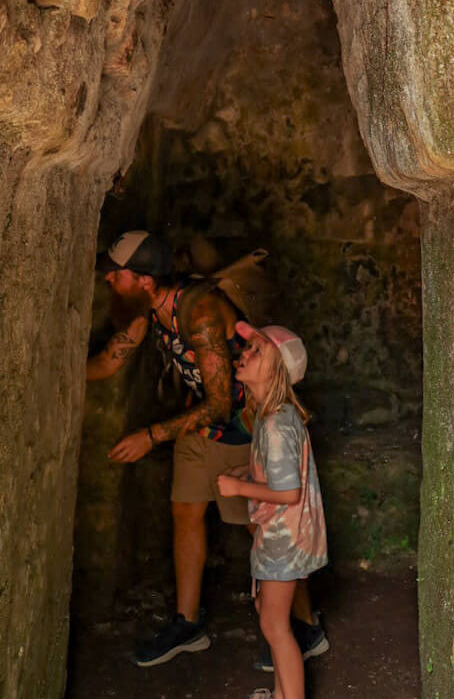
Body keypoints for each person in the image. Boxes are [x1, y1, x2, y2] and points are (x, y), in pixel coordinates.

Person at [86, 230, 327, 668]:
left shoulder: (198, 313)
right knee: (186, 511)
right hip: (198, 430)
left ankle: (306, 627)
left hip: (241, 431)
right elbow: (109, 360)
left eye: (115, 275)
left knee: (265, 530)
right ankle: (187, 622)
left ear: (143, 280)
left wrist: (152, 436)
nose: (108, 281)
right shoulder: (148, 310)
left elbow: (220, 404)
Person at [217, 322, 328, 699]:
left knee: (275, 627)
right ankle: (284, 698)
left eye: (257, 351)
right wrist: (248, 481)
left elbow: (289, 494)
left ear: (277, 371)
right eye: (246, 347)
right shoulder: (270, 417)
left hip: (286, 538)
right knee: (268, 614)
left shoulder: (278, 425)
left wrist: (238, 488)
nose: (243, 354)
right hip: (278, 535)